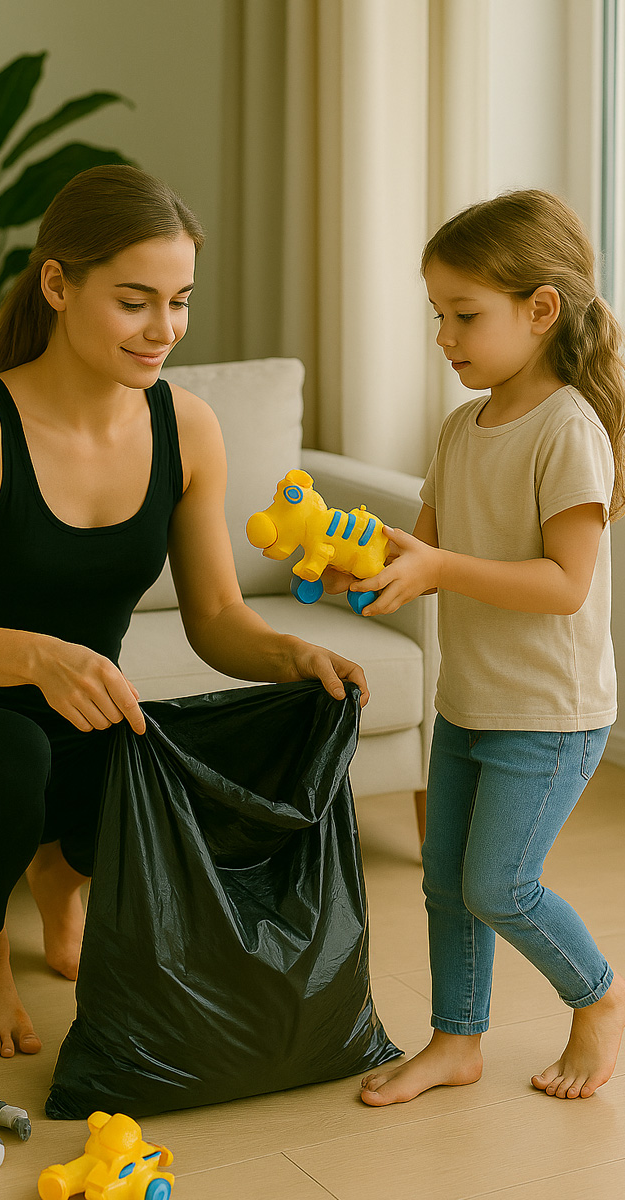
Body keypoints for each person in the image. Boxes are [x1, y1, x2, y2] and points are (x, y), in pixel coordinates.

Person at [0, 165, 369, 1059]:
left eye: (180, 301)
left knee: (175, 743)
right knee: (9, 749)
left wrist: (293, 655)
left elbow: (214, 615)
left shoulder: (189, 427)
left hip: (87, 730)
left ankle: (62, 874)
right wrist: (38, 658)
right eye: (135, 301)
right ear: (58, 284)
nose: (164, 330)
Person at [327, 189, 625, 1103]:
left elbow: (562, 583)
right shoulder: (463, 426)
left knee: (500, 885)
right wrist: (350, 563)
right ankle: (457, 1042)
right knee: (446, 885)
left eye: (466, 315)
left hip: (550, 710)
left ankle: (600, 998)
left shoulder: (568, 428)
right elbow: (420, 547)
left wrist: (439, 569)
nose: (446, 336)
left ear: (541, 310)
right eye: (437, 317)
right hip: (471, 699)